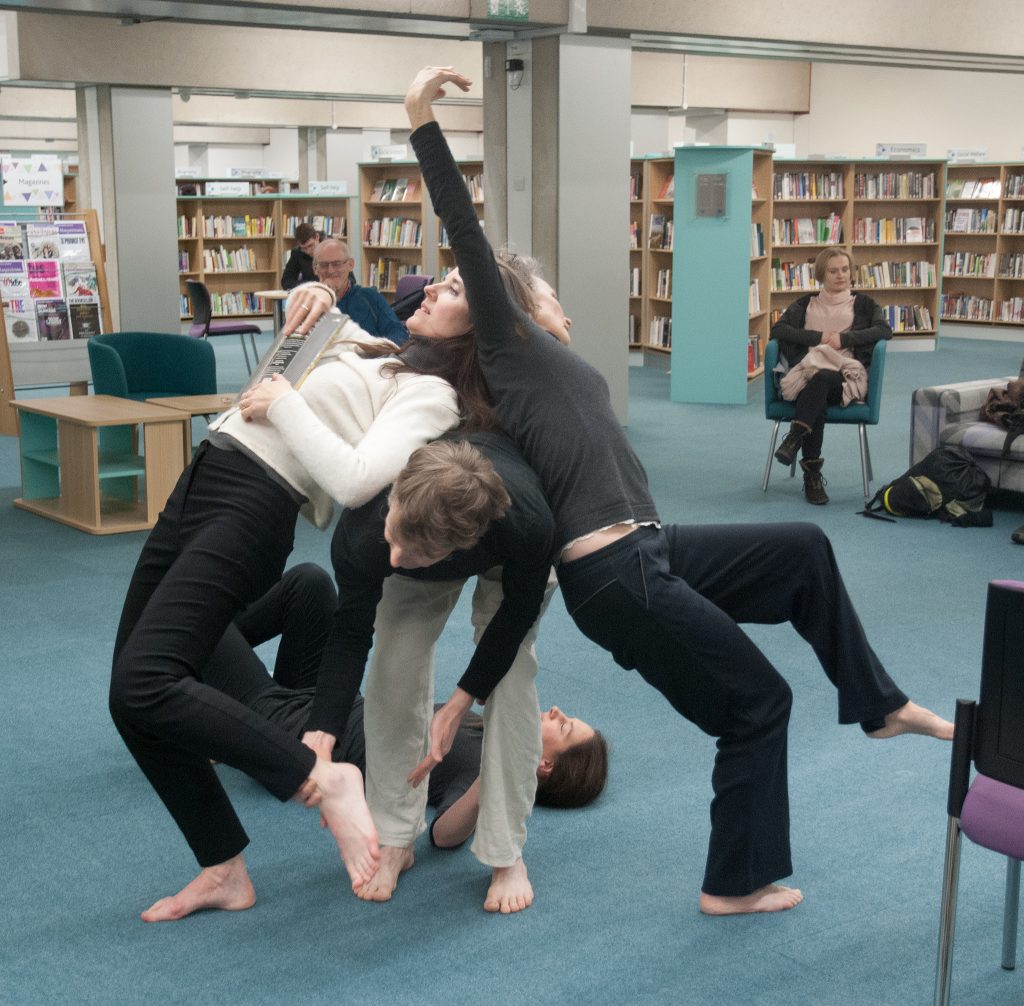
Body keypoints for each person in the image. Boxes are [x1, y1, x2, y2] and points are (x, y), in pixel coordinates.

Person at [282, 65, 955, 919]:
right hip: (614, 573)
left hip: (649, 545)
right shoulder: (515, 350)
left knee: (804, 552)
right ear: (523, 310)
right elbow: (464, 232)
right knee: (759, 706)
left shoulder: (542, 372)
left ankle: (879, 703)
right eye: (548, 295)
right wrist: (420, 117)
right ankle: (734, 884)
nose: (564, 304)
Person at [108, 298, 497, 921]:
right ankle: (223, 870)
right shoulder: (382, 351)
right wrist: (309, 302)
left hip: (253, 504)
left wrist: (284, 406)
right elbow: (300, 344)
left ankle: (322, 779)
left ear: (474, 334)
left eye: (452, 290)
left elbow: (356, 480)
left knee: (144, 683)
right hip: (204, 477)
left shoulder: (434, 396)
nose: (429, 291)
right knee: (129, 694)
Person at [202, 563, 609, 864]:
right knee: (310, 584)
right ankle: (217, 708)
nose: (556, 711)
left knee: (204, 626)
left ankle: (200, 707)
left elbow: (444, 835)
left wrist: (496, 773)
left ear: (544, 765)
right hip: (331, 705)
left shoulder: (477, 769)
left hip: (296, 736)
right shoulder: (488, 725)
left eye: (565, 725)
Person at [323, 428, 565, 913]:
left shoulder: (528, 523)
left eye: (411, 555)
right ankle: (394, 838)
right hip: (426, 524)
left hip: (508, 551)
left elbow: (514, 616)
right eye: (394, 541)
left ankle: (506, 852)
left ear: (462, 547)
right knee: (394, 662)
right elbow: (350, 636)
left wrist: (459, 703)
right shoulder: (370, 529)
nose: (394, 560)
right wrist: (321, 738)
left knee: (512, 676)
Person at [769, 247, 892, 504]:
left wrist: (844, 339)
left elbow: (883, 330)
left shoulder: (864, 304)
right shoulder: (806, 303)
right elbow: (779, 329)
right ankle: (812, 476)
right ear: (821, 274)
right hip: (806, 375)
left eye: (845, 269)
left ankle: (795, 439)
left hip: (844, 377)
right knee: (817, 392)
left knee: (823, 381)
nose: (840, 275)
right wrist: (818, 338)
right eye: (833, 271)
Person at [312, 237, 408, 344]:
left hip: (369, 357)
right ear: (315, 269)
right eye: (324, 265)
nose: (330, 270)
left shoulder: (370, 297)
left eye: (337, 264)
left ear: (350, 265)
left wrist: (370, 349)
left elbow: (400, 336)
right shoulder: (307, 304)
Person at [280, 222, 319, 290]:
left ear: (317, 237)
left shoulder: (331, 249)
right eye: (304, 248)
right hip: (308, 293)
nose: (308, 251)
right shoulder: (297, 253)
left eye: (310, 245)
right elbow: (286, 282)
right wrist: (309, 285)